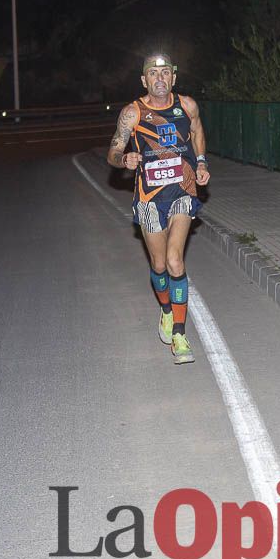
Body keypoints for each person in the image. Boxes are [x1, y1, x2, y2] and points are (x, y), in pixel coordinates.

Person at [107, 53, 210, 365]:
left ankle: (179, 333)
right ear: (145, 80)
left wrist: (202, 162)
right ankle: (166, 309)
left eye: (166, 72)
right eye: (154, 73)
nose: (160, 78)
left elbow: (197, 133)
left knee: (175, 260)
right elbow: (113, 150)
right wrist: (124, 160)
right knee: (159, 265)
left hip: (182, 190)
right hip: (150, 197)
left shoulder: (187, 105)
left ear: (173, 78)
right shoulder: (132, 113)